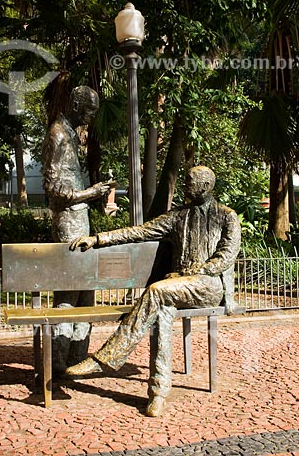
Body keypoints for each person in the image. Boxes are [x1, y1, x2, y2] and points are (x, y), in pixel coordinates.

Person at [65, 166, 241, 417]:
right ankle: (158, 393)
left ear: (206, 187)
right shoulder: (178, 216)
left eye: (190, 182)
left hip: (209, 286)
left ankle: (105, 358)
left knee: (157, 292)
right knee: (161, 311)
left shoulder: (226, 216)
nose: (185, 186)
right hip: (175, 290)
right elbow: (140, 231)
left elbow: (226, 256)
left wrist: (194, 272)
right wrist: (98, 239)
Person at [42, 85, 111, 374]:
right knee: (70, 294)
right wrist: (91, 193)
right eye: (88, 111)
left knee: (87, 292)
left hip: (79, 219)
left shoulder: (71, 135)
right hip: (68, 220)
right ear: (74, 105)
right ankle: (58, 361)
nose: (90, 118)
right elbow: (54, 189)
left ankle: (76, 358)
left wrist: (93, 191)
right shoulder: (58, 135)